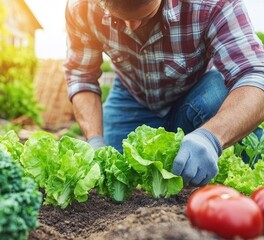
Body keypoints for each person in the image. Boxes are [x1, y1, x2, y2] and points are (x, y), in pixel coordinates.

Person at [63, 0, 264, 186]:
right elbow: (82, 77)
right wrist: (95, 139)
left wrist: (212, 137)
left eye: (143, 16)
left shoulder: (213, 4)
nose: (131, 27)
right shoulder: (82, 7)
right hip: (133, 96)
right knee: (116, 172)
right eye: (117, 18)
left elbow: (256, 74)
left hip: (195, 93)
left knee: (216, 99)